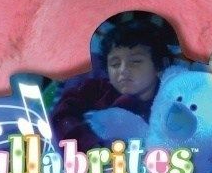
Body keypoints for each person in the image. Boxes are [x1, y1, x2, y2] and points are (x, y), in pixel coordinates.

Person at [51, 18, 173, 152]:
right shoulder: (95, 89)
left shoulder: (171, 101)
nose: (123, 70)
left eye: (135, 61)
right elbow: (61, 115)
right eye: (115, 64)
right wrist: (88, 143)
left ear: (160, 66)